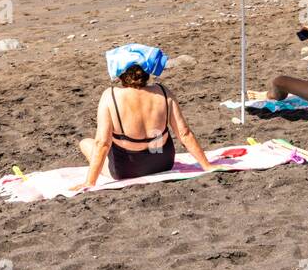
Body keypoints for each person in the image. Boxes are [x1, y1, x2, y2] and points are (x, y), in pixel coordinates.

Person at [76, 45, 216, 188]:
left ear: (121, 74)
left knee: (86, 143)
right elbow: (184, 133)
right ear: (146, 72)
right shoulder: (163, 91)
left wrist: (90, 182)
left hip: (126, 169)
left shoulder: (110, 96)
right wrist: (206, 165)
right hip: (163, 163)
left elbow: (102, 143)